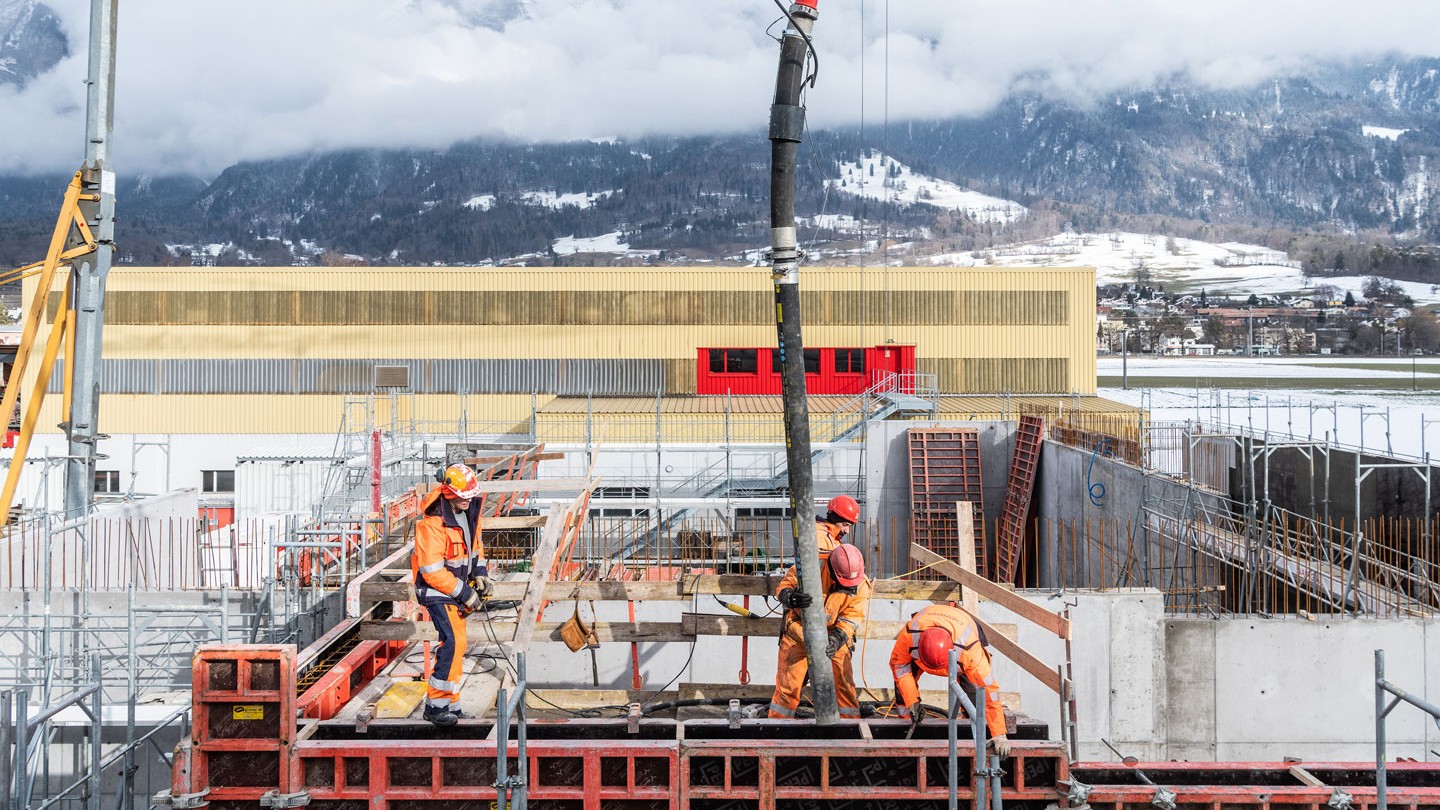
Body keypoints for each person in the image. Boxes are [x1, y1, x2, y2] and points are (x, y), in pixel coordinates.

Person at [411, 463, 493, 726]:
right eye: (464, 496)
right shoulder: (432, 524)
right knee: (453, 643)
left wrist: (480, 572)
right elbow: (432, 572)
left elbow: (475, 545)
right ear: (448, 492)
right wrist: (465, 593)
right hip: (436, 590)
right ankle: (434, 707)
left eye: (471, 495)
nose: (469, 500)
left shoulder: (467, 511)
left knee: (458, 645)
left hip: (455, 588)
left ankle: (451, 705)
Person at [890, 604, 1010, 756]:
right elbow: (899, 667)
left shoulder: (970, 652)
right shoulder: (910, 635)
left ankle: (969, 735)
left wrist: (999, 733)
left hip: (962, 640)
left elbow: (989, 691)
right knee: (903, 689)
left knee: (973, 700)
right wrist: (911, 701)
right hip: (927, 628)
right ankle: (906, 723)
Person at [768, 543, 870, 719]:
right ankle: (778, 726)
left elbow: (852, 617)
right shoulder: (811, 565)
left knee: (844, 687)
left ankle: (850, 728)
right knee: (788, 688)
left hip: (834, 635)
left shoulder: (860, 585)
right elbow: (784, 585)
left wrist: (837, 639)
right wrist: (790, 597)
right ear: (833, 572)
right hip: (798, 632)